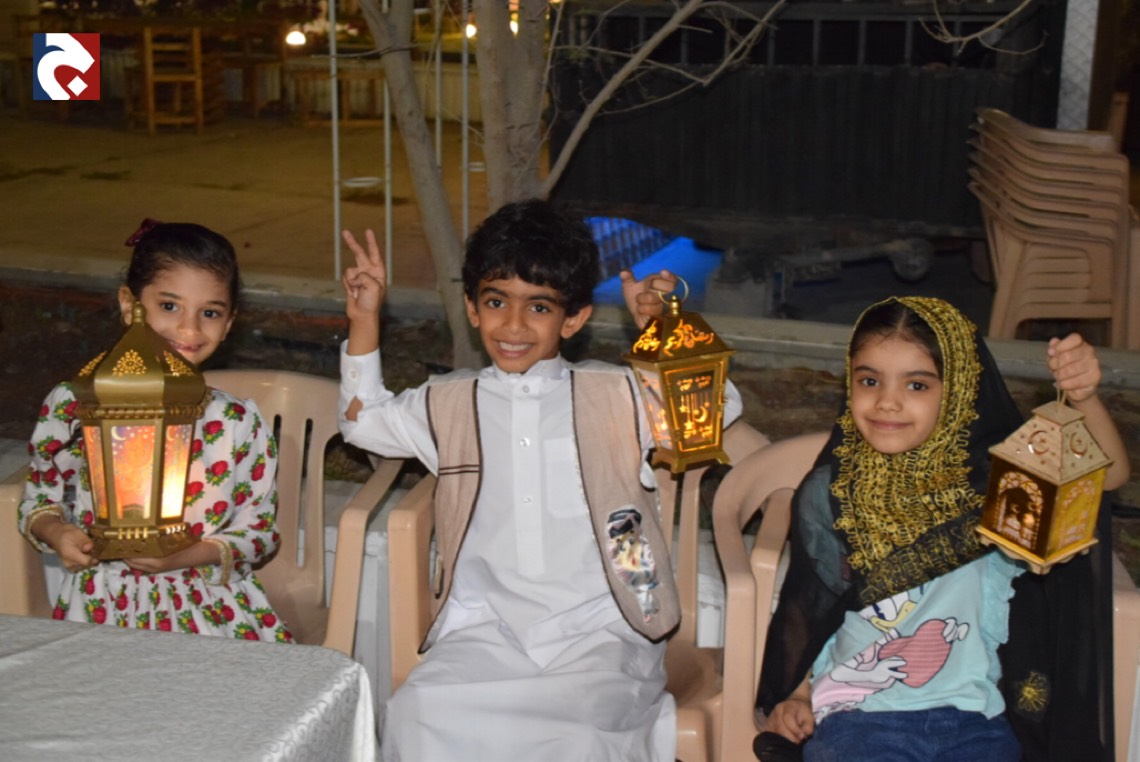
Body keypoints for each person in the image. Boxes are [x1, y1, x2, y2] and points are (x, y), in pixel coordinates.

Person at [338, 198, 743, 760]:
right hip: (485, 631)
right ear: (472, 308)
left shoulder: (616, 393)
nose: (513, 325)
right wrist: (364, 320)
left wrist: (662, 330)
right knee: (417, 714)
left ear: (573, 319)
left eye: (539, 307)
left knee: (578, 739)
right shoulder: (449, 402)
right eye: (496, 301)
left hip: (606, 629)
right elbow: (362, 423)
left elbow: (716, 409)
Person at [755, 296, 1128, 762]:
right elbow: (814, 609)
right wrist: (798, 693)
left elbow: (1108, 475)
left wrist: (1083, 397)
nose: (887, 400)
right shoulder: (834, 491)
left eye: (917, 384)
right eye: (869, 380)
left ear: (960, 391)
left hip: (976, 718)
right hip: (860, 718)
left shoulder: (997, 485)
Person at [18, 220, 292, 642]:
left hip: (207, 609)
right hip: (101, 606)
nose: (189, 329)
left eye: (210, 313)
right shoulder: (77, 403)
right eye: (169, 306)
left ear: (229, 323)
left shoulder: (236, 421)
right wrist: (57, 533)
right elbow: (39, 499)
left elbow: (260, 535)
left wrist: (186, 555)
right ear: (129, 304)